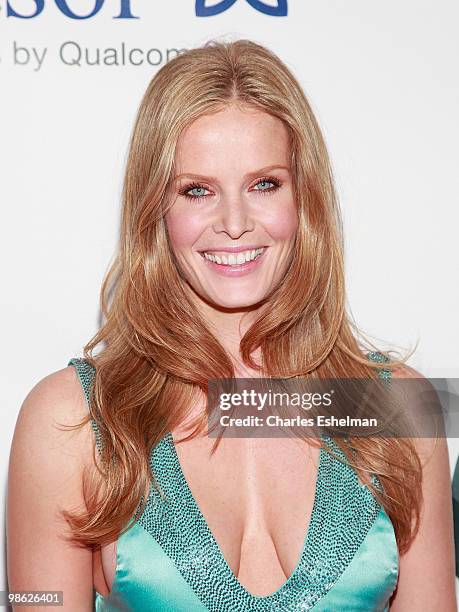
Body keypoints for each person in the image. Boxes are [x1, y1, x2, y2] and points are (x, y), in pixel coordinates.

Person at [7, 39, 456, 611]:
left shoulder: (395, 408)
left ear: (306, 199)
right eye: (197, 190)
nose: (236, 223)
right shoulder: (74, 418)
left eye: (264, 184)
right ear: (154, 210)